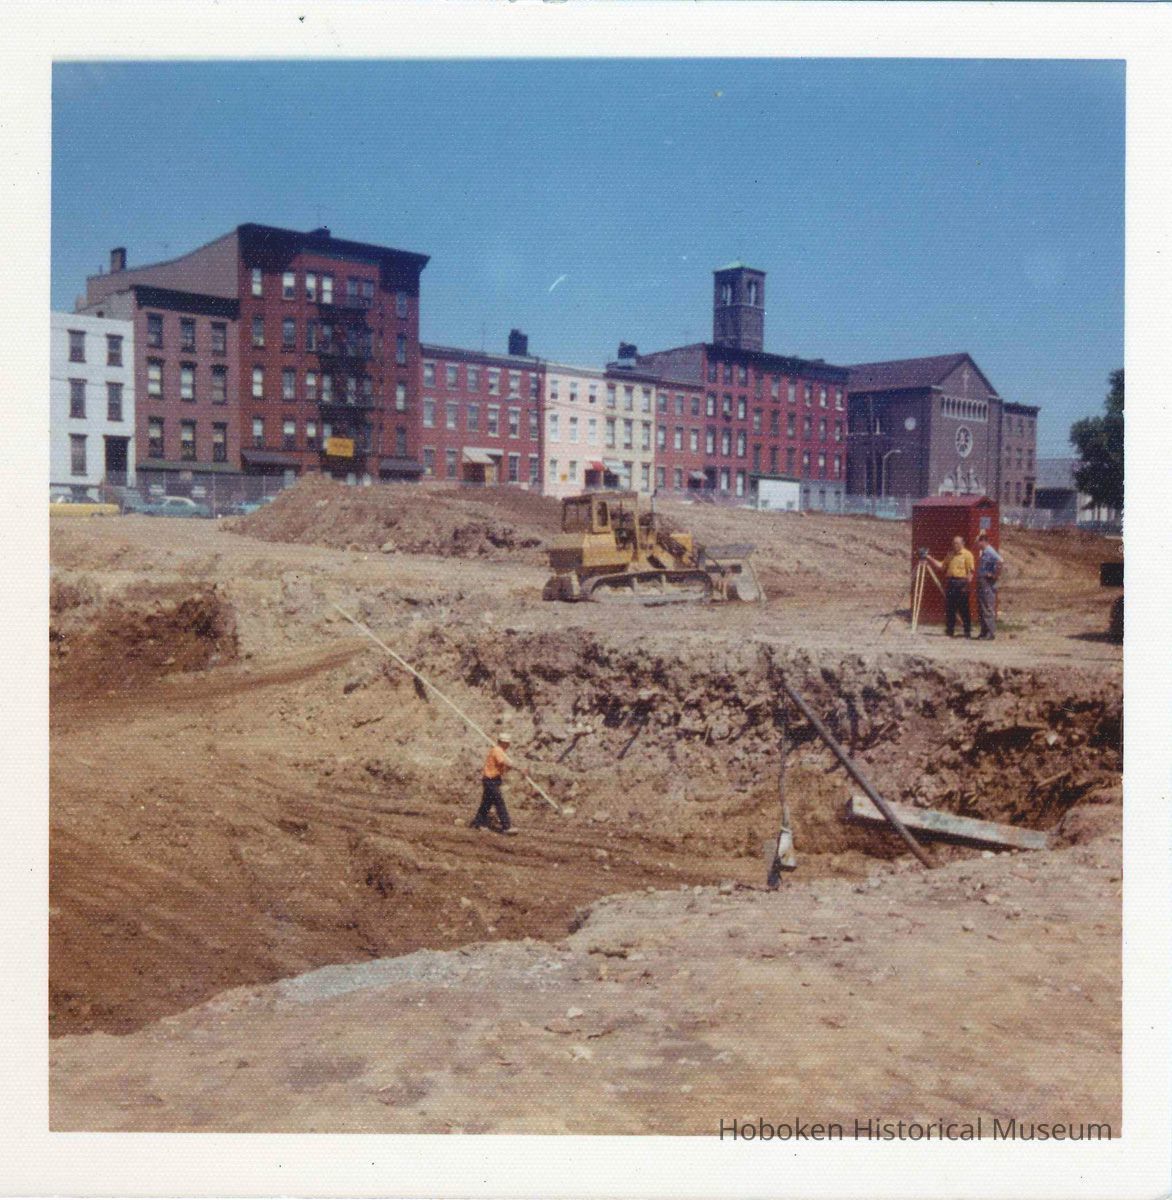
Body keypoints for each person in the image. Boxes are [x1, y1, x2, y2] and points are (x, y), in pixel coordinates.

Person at [470, 732, 518, 835]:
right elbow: (502, 762)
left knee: (486, 803)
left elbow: (503, 767)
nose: (508, 745)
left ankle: (478, 823)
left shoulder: (500, 751)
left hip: (493, 780)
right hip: (490, 780)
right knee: (499, 802)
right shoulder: (497, 750)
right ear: (503, 742)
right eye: (507, 743)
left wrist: (511, 766)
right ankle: (506, 827)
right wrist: (514, 766)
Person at [927, 535, 975, 638]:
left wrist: (966, 585)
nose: (955, 545)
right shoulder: (950, 554)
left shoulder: (967, 555)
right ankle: (950, 631)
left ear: (962, 544)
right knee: (950, 608)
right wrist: (929, 558)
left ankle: (967, 631)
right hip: (951, 582)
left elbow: (971, 572)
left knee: (964, 609)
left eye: (957, 543)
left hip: (961, 583)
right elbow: (941, 566)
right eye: (953, 543)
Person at [975, 532, 1003, 640]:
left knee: (987, 607)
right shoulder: (984, 552)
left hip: (987, 582)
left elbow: (1000, 561)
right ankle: (983, 632)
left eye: (978, 542)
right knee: (982, 607)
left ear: (983, 541)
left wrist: (995, 575)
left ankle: (990, 633)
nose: (977, 544)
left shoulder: (990, 551)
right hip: (982, 581)